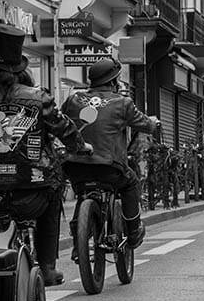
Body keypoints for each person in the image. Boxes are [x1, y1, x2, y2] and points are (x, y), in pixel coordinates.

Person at [0, 25, 91, 286]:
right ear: (20, 69)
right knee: (54, 192)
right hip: (33, 193)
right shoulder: (38, 98)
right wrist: (81, 147)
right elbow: (65, 129)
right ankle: (47, 266)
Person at [61, 58, 159, 257]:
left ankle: (77, 243)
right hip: (109, 167)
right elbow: (145, 124)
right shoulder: (122, 103)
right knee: (131, 183)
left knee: (83, 193)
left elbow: (61, 121)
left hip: (75, 166)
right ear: (114, 81)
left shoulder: (73, 99)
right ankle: (133, 232)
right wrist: (153, 123)